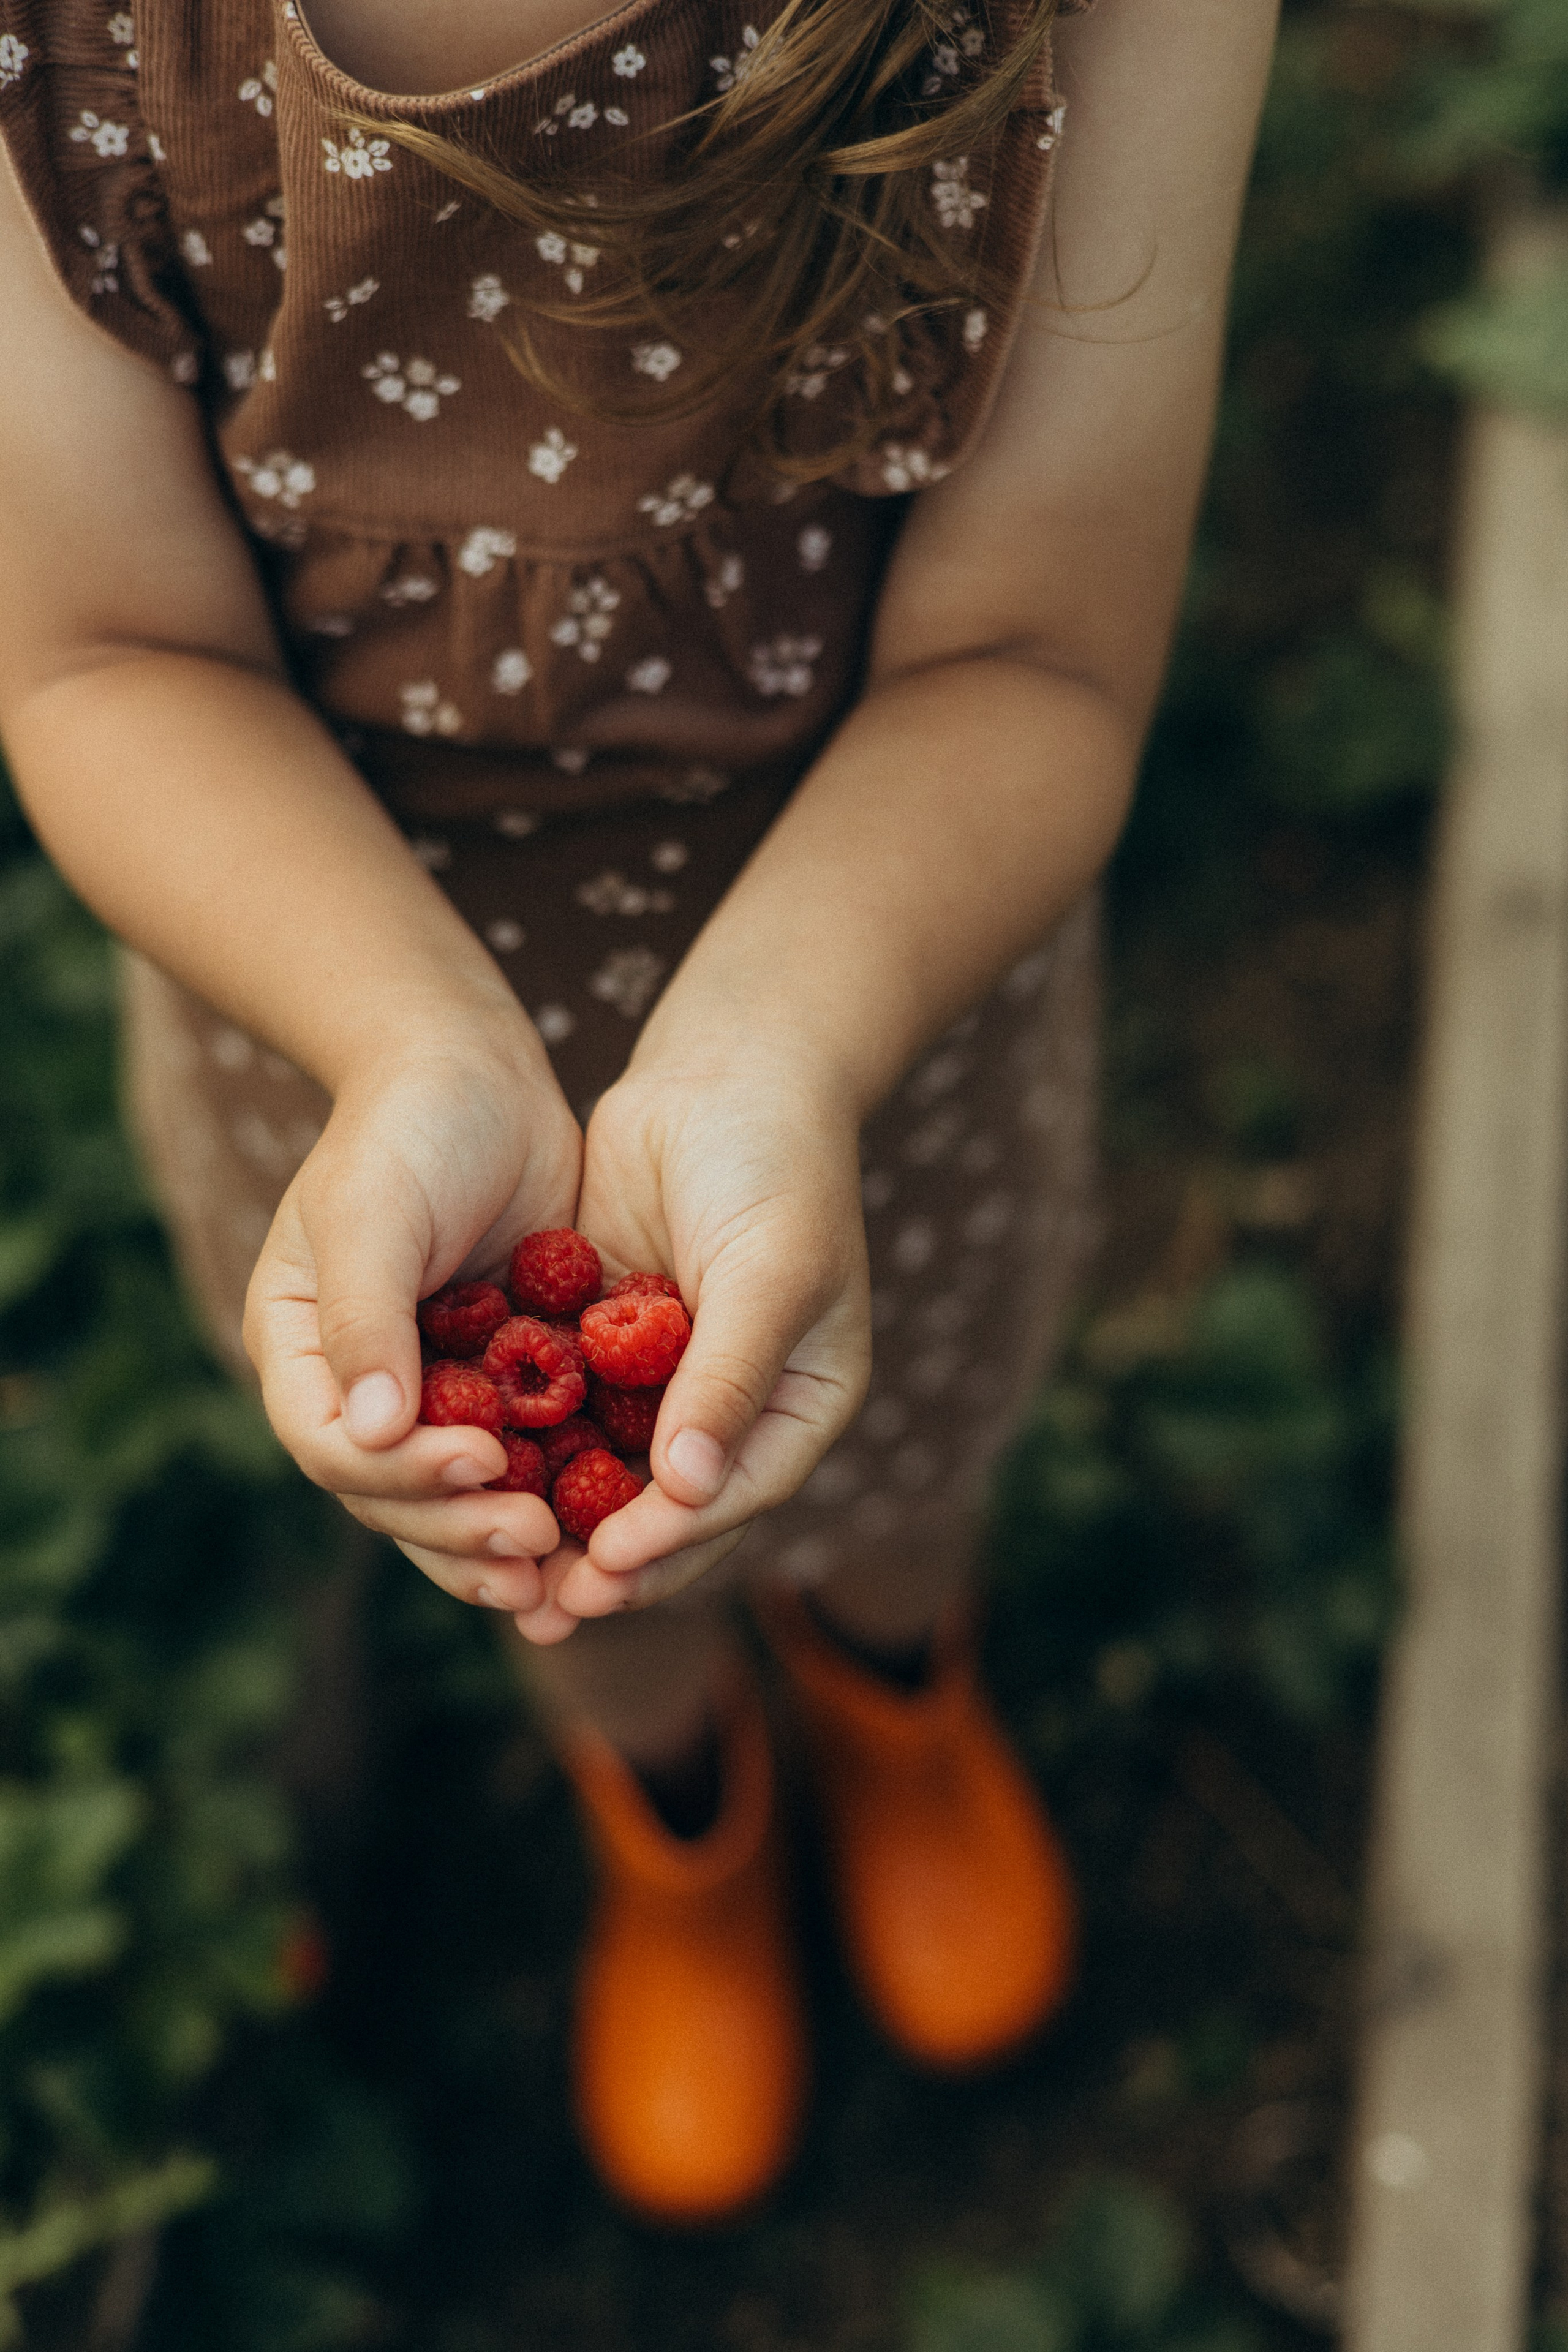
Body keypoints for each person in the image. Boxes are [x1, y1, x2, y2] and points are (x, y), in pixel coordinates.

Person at [0, 0, 1279, 2223]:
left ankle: (899, 1690)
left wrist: (779, 1042)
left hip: (878, 961)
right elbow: (105, 652)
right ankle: (680, 1820)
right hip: (326, 980)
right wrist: (416, 1043)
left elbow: (1038, 654)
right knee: (551, 1549)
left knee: (885, 1440)